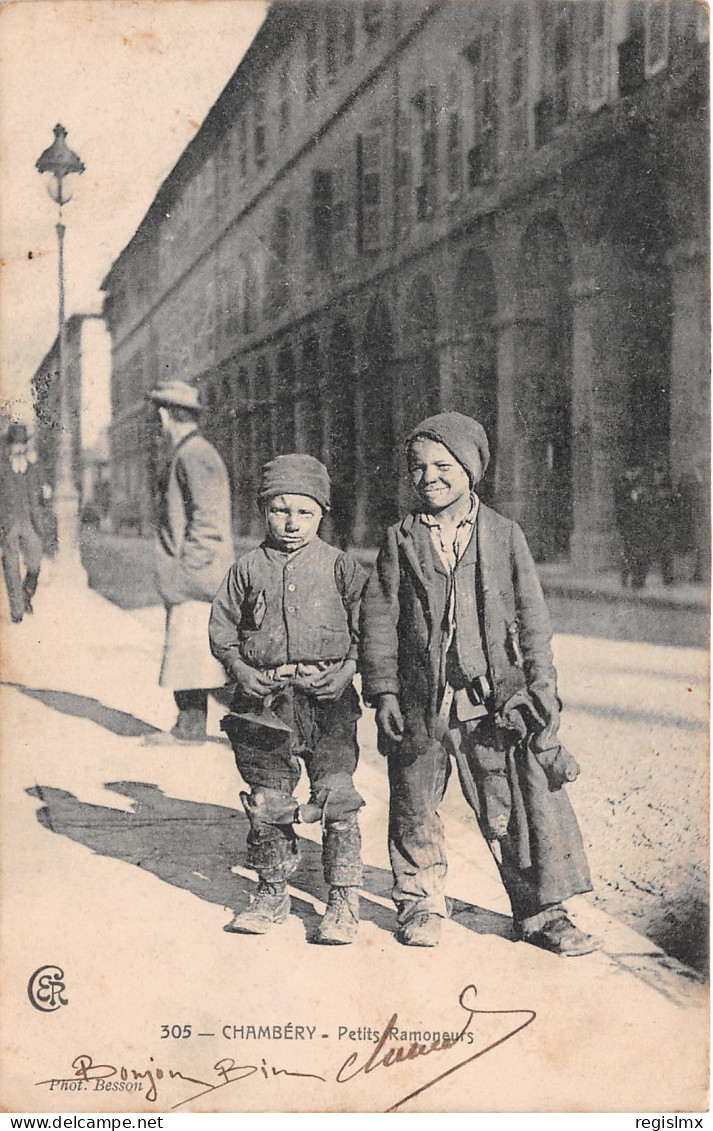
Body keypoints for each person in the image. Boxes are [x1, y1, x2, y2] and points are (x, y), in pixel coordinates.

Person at [360, 411, 597, 955]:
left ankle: (541, 913)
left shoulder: (503, 535)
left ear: (471, 469)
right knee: (413, 803)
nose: (428, 478)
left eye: (443, 466)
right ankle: (419, 904)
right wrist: (385, 694)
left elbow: (534, 621)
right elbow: (377, 622)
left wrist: (541, 688)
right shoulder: (400, 539)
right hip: (422, 704)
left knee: (510, 805)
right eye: (417, 468)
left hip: (489, 704)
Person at [209, 454, 368, 944]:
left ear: (321, 513)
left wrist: (347, 670)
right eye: (280, 511)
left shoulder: (342, 567)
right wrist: (238, 669)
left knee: (337, 796)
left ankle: (342, 900)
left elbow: (370, 632)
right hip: (265, 702)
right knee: (268, 799)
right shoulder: (246, 569)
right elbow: (222, 630)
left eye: (304, 512)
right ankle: (271, 892)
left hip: (328, 700)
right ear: (263, 511)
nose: (292, 523)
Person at [145, 380, 234, 744]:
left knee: (195, 655)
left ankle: (191, 729)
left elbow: (208, 523)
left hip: (197, 576)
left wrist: (184, 575)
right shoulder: (191, 451)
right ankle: (188, 725)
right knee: (190, 655)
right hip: (194, 575)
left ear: (166, 414)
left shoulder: (194, 454)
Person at [0, 423, 45, 623]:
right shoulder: (2, 469)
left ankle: (25, 595)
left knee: (35, 561)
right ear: (9, 446)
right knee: (10, 566)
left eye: (21, 444)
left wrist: (40, 525)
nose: (18, 448)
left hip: (29, 522)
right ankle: (17, 611)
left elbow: (39, 499)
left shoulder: (33, 469)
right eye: (15, 445)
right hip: (9, 524)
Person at [613, 464, 651, 589]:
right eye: (632, 471)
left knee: (640, 553)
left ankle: (638, 581)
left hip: (640, 525)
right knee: (630, 553)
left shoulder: (639, 486)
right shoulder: (622, 485)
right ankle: (628, 580)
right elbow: (621, 506)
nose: (633, 475)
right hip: (628, 525)